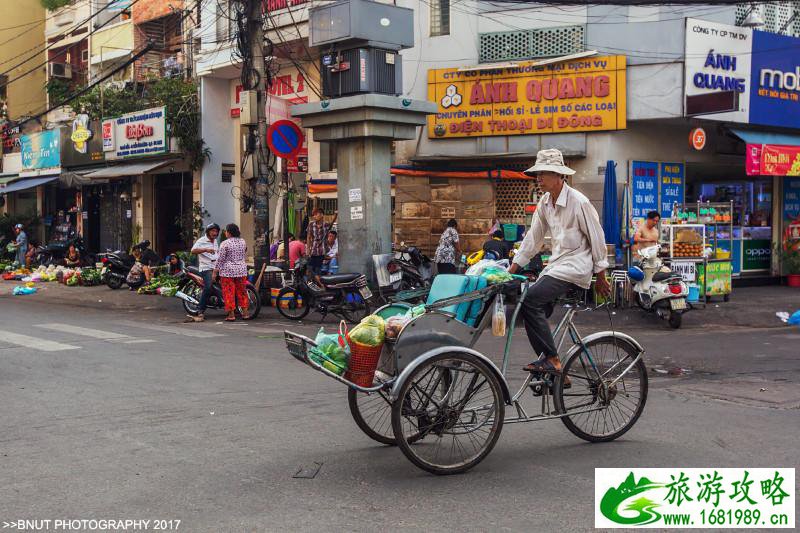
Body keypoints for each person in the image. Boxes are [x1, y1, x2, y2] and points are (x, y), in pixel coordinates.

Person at [508, 148, 611, 375]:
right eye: (538, 174)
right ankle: (554, 372)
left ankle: (552, 360)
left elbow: (597, 238)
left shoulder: (579, 202)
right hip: (556, 266)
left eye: (544, 173)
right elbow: (533, 239)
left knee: (531, 301)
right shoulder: (545, 203)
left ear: (559, 175)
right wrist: (511, 269)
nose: (539, 178)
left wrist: (601, 275)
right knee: (528, 306)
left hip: (575, 267)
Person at [213, 223, 249, 321]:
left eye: (226, 231)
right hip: (241, 270)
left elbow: (220, 259)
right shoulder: (243, 241)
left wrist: (215, 271)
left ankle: (231, 315)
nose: (225, 233)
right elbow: (244, 251)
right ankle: (245, 314)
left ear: (229, 232)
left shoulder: (225, 243)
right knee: (242, 292)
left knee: (229, 293)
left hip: (227, 272)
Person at [189, 223, 220, 322]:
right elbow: (193, 250)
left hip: (216, 267)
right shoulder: (201, 240)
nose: (215, 233)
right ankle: (200, 310)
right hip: (206, 268)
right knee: (208, 287)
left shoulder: (215, 241)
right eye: (213, 231)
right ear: (208, 231)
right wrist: (205, 249)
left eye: (216, 231)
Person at [306, 208, 326, 275]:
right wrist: (308, 249)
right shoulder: (311, 224)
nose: (314, 216)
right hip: (313, 249)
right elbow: (309, 237)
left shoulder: (326, 225)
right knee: (310, 267)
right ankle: (315, 280)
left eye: (316, 214)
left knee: (318, 268)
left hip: (322, 249)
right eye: (313, 215)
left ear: (321, 215)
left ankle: (319, 280)